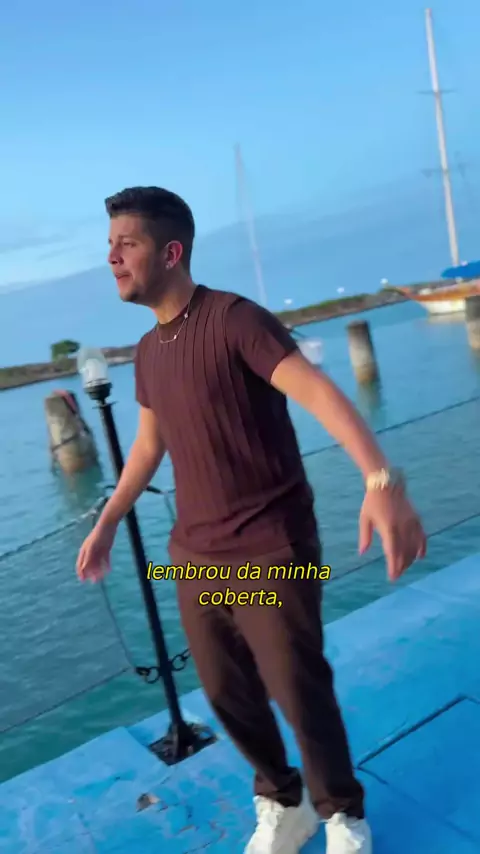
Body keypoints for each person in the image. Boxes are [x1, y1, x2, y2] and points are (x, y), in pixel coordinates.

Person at [76, 186, 426, 854]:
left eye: (128, 244)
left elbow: (319, 393)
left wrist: (381, 480)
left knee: (296, 685)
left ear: (171, 253)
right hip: (196, 559)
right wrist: (109, 520)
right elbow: (148, 447)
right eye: (110, 246)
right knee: (225, 691)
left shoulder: (237, 321)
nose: (113, 258)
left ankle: (342, 814)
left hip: (271, 551)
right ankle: (283, 801)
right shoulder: (148, 351)